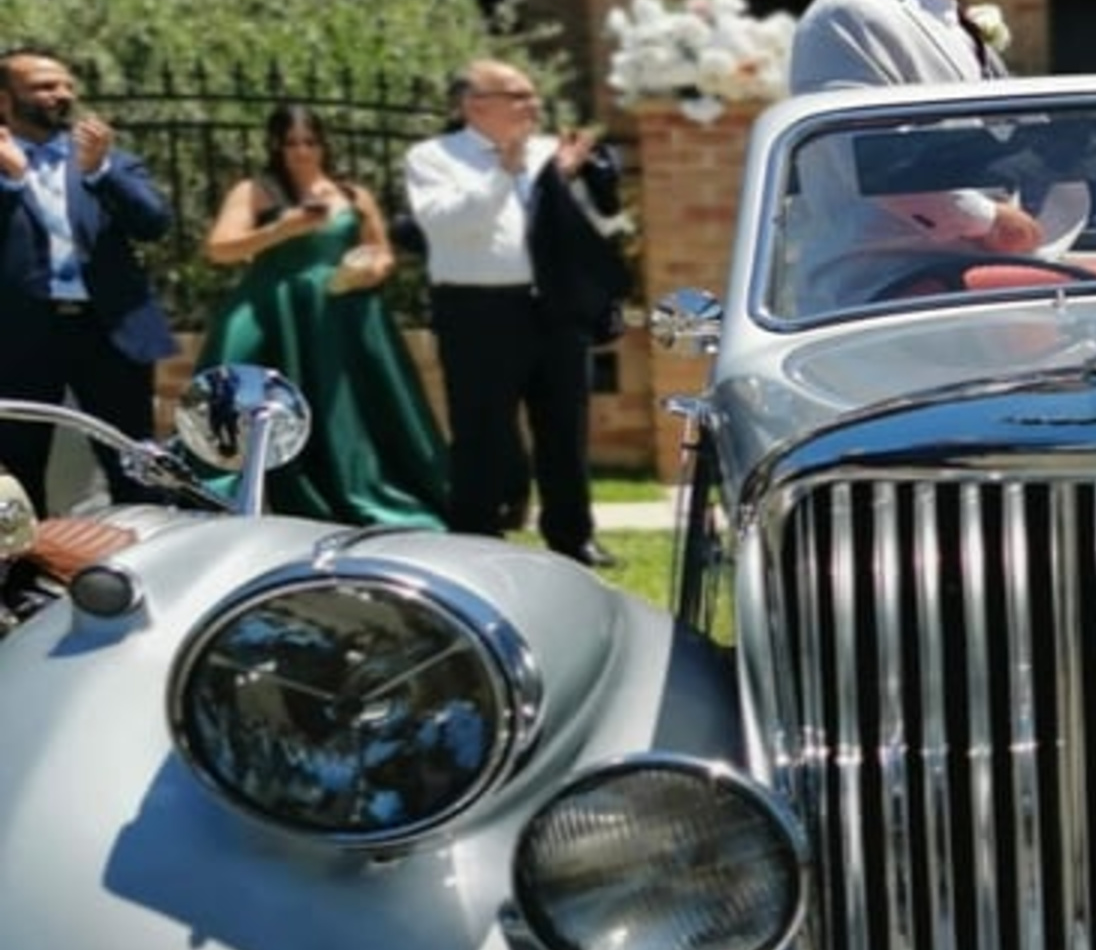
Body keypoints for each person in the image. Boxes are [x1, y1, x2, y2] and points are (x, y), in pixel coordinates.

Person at [782, 0, 1048, 304]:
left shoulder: (916, 5)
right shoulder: (849, 12)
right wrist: (987, 219)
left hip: (950, 283)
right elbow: (870, 153)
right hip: (880, 294)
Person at [402, 60, 627, 565]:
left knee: (565, 427)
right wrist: (504, 171)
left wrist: (573, 179)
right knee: (479, 426)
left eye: (532, 95)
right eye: (519, 95)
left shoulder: (553, 152)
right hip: (478, 308)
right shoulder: (434, 156)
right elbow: (446, 225)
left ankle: (572, 535)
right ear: (475, 104)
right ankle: (477, 533)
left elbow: (598, 225)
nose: (533, 104)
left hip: (553, 306)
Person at [195, 101, 449, 527]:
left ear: (323, 144)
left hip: (343, 311)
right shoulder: (256, 191)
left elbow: (382, 250)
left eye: (310, 141)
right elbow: (220, 249)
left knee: (351, 405)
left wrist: (375, 269)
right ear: (276, 145)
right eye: (291, 142)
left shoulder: (352, 195)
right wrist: (281, 230)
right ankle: (230, 492)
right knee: (240, 392)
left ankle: (363, 486)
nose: (301, 151)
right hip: (274, 308)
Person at [0, 41, 177, 512]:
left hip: (108, 331)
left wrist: (101, 172)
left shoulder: (107, 158)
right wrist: (13, 181)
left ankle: (150, 564)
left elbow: (155, 223)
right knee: (16, 467)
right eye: (43, 86)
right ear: (4, 99)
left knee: (134, 460)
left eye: (66, 85)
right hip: (19, 335)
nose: (60, 94)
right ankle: (19, 579)